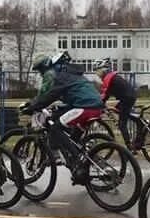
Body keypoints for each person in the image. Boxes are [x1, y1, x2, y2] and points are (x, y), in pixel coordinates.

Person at [19, 51, 106, 182]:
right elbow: (72, 95)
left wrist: (32, 107)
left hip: (85, 108)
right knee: (70, 132)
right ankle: (77, 156)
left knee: (56, 128)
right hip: (95, 107)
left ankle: (78, 162)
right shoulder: (73, 74)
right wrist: (60, 107)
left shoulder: (58, 76)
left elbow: (49, 96)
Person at [94, 60, 137, 146]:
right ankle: (135, 119)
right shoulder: (111, 76)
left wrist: (98, 104)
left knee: (122, 124)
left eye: (97, 70)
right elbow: (106, 94)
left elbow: (105, 95)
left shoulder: (108, 78)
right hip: (128, 97)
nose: (96, 73)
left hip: (126, 99)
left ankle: (130, 147)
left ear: (103, 70)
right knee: (117, 110)